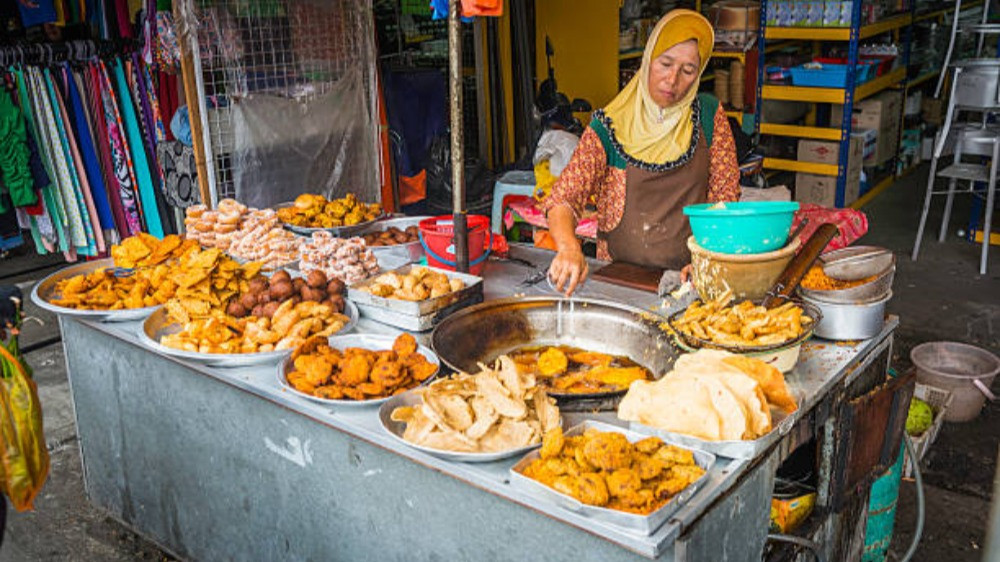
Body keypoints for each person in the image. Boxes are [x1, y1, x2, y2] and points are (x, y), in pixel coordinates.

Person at [542, 9, 742, 295]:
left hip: (689, 283)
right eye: (665, 64)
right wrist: (569, 247)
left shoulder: (709, 116)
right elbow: (565, 197)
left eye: (687, 71)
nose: (672, 80)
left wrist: (710, 259)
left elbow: (725, 200)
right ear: (647, 60)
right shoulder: (608, 126)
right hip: (618, 280)